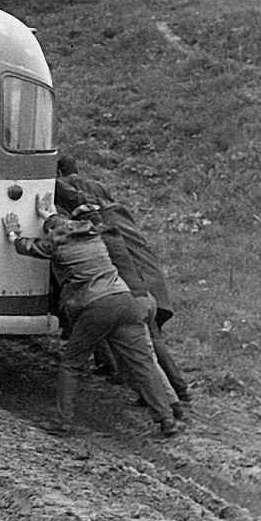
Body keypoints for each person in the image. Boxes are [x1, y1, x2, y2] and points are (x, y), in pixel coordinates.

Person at [2, 195, 181, 437]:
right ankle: (166, 418)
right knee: (142, 363)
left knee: (71, 363)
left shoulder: (59, 243)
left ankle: (63, 421)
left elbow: (27, 247)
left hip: (96, 305)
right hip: (125, 300)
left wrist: (13, 234)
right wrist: (48, 214)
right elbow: (60, 224)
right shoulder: (93, 234)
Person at [56, 156, 189, 401]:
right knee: (147, 342)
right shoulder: (117, 214)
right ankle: (170, 393)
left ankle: (173, 394)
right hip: (147, 278)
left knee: (146, 345)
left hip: (136, 286)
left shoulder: (99, 228)